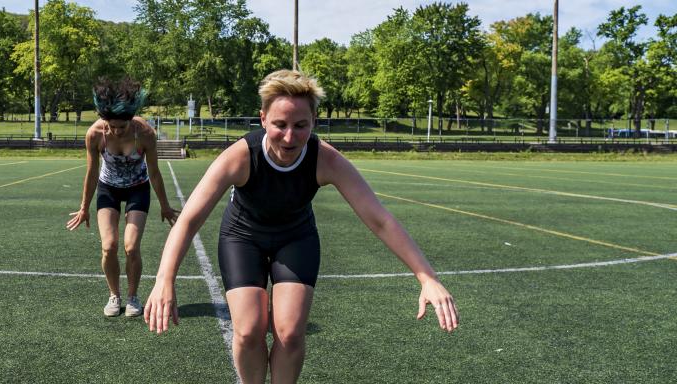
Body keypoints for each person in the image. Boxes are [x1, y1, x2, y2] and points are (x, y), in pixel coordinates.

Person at [143, 70, 459, 383]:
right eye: (280, 124)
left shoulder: (326, 160)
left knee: (290, 332)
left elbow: (380, 219)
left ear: (314, 122)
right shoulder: (240, 156)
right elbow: (188, 220)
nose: (290, 137)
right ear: (263, 119)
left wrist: (426, 276)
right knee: (249, 329)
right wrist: (164, 279)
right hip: (243, 237)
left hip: (295, 238)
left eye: (300, 125)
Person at [67, 78, 179, 317]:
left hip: (137, 188)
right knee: (109, 246)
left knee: (131, 246)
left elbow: (155, 173)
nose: (116, 131)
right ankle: (114, 295)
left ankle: (132, 297)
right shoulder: (95, 134)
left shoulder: (145, 133)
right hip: (109, 188)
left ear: (131, 120)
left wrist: (166, 207)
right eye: (112, 126)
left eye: (122, 127)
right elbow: (92, 172)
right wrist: (84, 207)